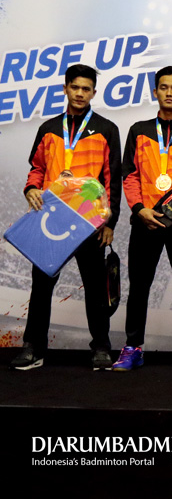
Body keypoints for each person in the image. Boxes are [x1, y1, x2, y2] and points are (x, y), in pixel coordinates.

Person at [10, 64, 122, 370]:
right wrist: (31, 188)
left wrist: (109, 222)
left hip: (88, 222)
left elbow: (112, 179)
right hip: (51, 219)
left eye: (86, 89)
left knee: (95, 288)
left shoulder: (107, 129)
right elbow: (37, 167)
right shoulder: (48, 128)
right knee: (41, 285)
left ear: (94, 93)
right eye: (75, 87)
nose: (80, 93)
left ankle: (101, 346)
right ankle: (34, 348)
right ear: (65, 88)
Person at [112, 66, 172, 372]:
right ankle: (132, 347)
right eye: (164, 87)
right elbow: (129, 174)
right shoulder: (139, 130)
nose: (169, 93)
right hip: (146, 222)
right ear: (155, 92)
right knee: (139, 287)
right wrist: (139, 208)